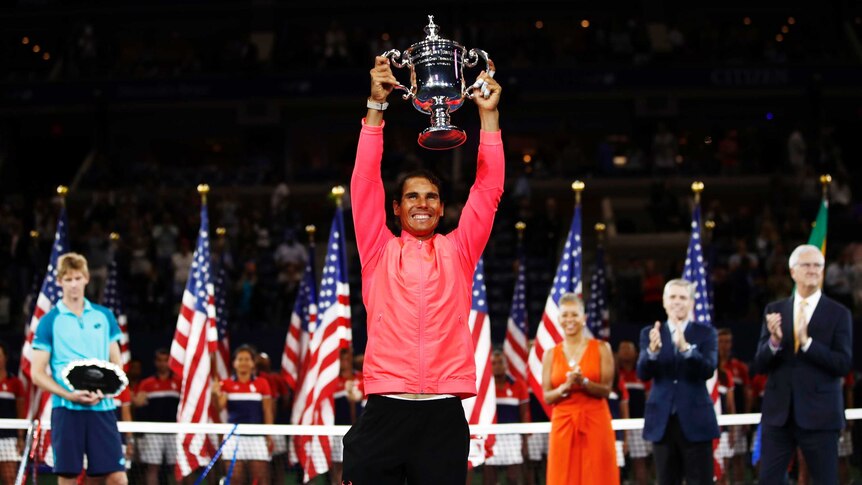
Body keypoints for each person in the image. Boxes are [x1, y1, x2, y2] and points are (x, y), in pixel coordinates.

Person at [341, 54, 502, 485]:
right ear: (397, 208)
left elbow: (488, 190)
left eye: (431, 197)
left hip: (442, 416)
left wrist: (489, 119)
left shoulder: (460, 251)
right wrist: (375, 110)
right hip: (385, 410)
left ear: (442, 208)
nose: (422, 204)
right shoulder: (377, 251)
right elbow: (364, 183)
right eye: (412, 197)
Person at [753, 244, 852, 484]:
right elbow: (759, 364)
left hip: (821, 416)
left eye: (817, 265)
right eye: (806, 265)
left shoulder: (839, 313)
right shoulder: (774, 310)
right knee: (769, 480)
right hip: (778, 416)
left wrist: (807, 343)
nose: (812, 270)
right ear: (792, 271)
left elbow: (842, 364)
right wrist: (774, 342)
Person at [30, 253, 129, 485]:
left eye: (77, 278)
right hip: (66, 409)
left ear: (86, 278)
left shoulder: (104, 316)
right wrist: (68, 394)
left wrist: (105, 390)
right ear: (59, 281)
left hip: (102, 408)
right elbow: (36, 373)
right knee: (69, 477)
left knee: (117, 478)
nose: (73, 284)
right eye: (68, 279)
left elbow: (117, 363)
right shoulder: (49, 321)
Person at [637, 278, 719, 485]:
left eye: (683, 297)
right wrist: (652, 353)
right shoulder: (650, 333)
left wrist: (686, 349)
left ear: (691, 303)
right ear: (664, 302)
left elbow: (708, 369)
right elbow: (642, 373)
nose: (677, 302)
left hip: (696, 422)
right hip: (662, 423)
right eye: (672, 297)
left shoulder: (706, 333)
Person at [542, 292, 617, 485]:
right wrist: (565, 387)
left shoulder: (602, 348)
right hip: (563, 425)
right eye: (565, 315)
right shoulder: (550, 354)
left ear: (584, 318)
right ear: (559, 319)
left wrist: (584, 382)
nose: (570, 320)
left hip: (596, 422)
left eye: (574, 314)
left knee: (599, 476)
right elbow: (548, 396)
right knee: (562, 477)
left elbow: (607, 390)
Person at [212, 345, 274, 485]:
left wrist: (269, 435)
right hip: (234, 438)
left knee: (261, 480)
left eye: (247, 359)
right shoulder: (226, 384)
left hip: (257, 438)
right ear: (234, 363)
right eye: (240, 359)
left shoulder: (262, 383)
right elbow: (219, 407)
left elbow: (267, 411)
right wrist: (215, 394)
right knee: (235, 480)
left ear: (253, 363)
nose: (243, 362)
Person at [132, 348, 181, 485]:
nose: (163, 364)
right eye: (160, 360)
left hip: (174, 432)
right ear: (155, 362)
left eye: (166, 360)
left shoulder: (179, 382)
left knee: (177, 468)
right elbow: (137, 405)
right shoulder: (146, 384)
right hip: (153, 432)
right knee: (153, 468)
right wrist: (135, 401)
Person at [484, 350, 529, 485]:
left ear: (506, 365)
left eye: (500, 363)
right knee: (490, 480)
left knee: (513, 478)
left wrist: (525, 441)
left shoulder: (519, 385)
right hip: (491, 437)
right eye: (493, 363)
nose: (497, 366)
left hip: (512, 438)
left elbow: (524, 415)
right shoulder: (485, 386)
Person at [717, 328, 753, 482]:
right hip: (716, 424)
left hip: (734, 421)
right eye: (722, 341)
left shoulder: (739, 367)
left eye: (728, 342)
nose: (725, 345)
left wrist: (744, 419)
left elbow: (748, 394)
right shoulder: (710, 369)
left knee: (738, 459)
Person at [617, 340, 652, 484]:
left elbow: (650, 400)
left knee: (639, 463)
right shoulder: (614, 374)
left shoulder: (642, 374)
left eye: (628, 348)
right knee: (617, 465)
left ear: (635, 353)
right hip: (618, 427)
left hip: (638, 426)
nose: (625, 351)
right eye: (622, 348)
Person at [0, 342, 24, 484]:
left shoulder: (14, 382)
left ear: (5, 358)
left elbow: (20, 411)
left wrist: (20, 437)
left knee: (10, 478)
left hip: (8, 438)